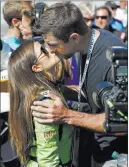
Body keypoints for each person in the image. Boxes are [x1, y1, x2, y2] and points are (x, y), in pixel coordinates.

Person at [31, 2, 128, 167]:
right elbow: (90, 94)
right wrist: (61, 91)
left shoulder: (115, 59)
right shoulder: (84, 46)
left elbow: (123, 120)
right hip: (91, 150)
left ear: (74, 37)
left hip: (113, 156)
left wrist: (66, 115)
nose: (51, 51)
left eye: (53, 45)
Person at [8, 40, 73, 167]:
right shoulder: (45, 102)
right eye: (43, 50)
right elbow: (48, 160)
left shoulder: (31, 96)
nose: (50, 49)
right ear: (37, 67)